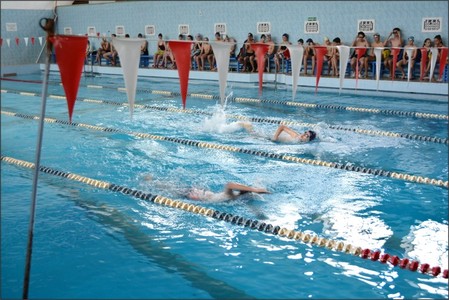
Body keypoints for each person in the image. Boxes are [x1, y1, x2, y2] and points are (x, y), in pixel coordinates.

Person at [187, 182, 270, 202]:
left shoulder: (212, 198)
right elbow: (230, 185)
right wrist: (255, 190)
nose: (199, 190)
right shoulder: (212, 199)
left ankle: (256, 189)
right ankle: (256, 189)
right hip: (230, 197)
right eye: (196, 192)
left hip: (236, 197)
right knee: (229, 185)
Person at [239, 122, 317, 143]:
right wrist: (275, 138)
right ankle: (244, 124)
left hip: (271, 139)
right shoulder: (295, 136)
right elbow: (282, 126)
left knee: (252, 135)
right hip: (269, 137)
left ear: (308, 140)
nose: (303, 135)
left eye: (306, 136)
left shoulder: (298, 141)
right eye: (305, 133)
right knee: (251, 134)